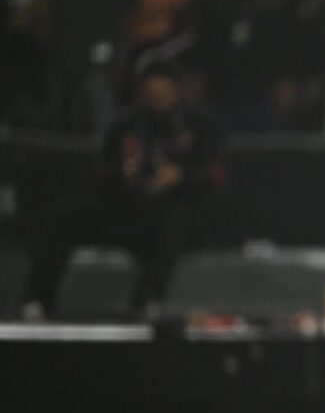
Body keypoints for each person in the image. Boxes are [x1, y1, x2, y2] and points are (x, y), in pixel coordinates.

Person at [22, 60, 223, 320]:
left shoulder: (199, 123)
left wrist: (180, 175)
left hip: (179, 211)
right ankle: (38, 299)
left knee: (174, 219)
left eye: (163, 96)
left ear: (177, 91)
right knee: (62, 217)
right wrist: (123, 176)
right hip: (130, 210)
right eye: (151, 96)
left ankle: (147, 301)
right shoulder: (127, 124)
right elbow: (103, 173)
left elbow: (214, 173)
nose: (157, 103)